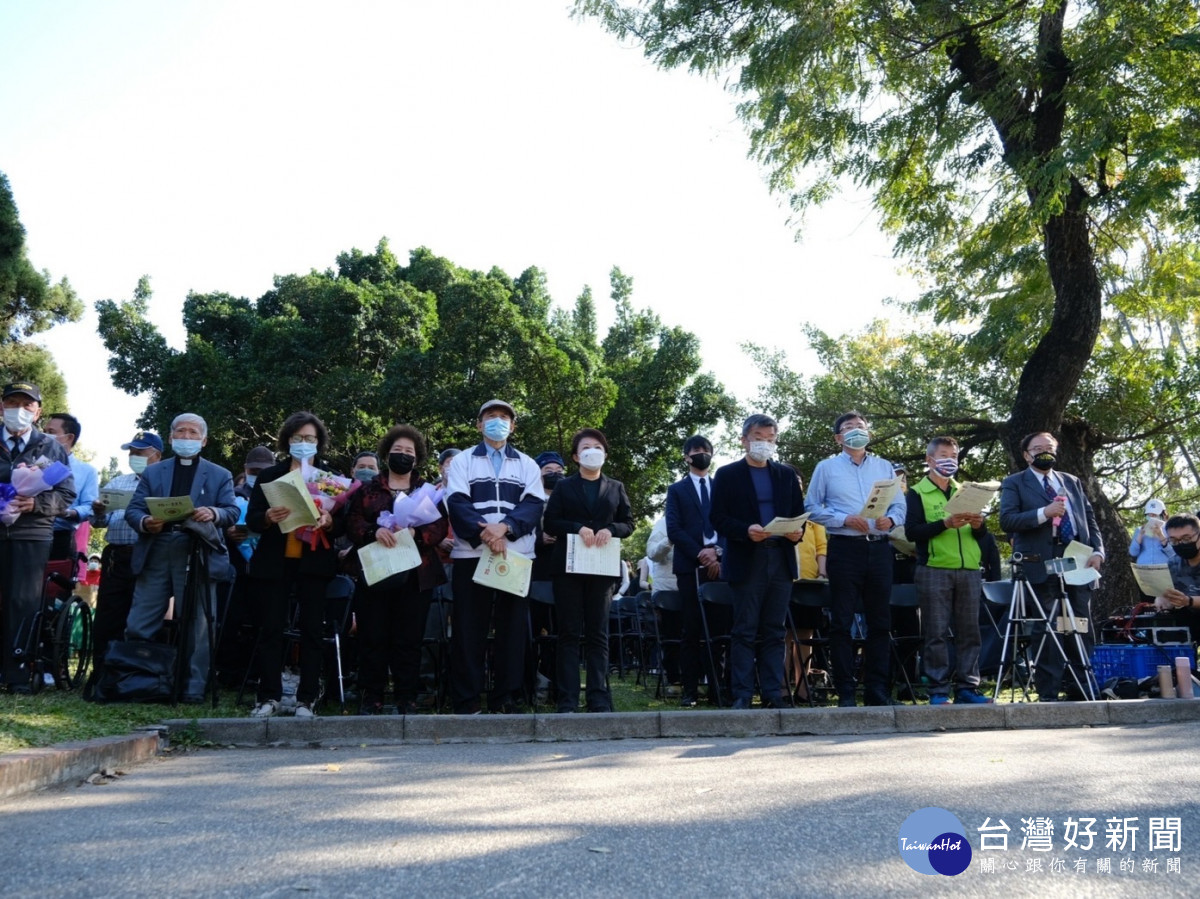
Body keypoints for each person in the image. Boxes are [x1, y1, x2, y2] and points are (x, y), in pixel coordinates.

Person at [124, 412, 238, 702]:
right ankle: (137, 681)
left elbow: (231, 510)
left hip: (198, 550)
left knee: (200, 623)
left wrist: (213, 513)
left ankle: (192, 688)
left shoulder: (220, 474)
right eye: (181, 432)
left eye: (193, 432)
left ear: (204, 440)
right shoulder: (153, 472)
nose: (186, 437)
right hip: (158, 546)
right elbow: (133, 510)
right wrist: (146, 522)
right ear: (171, 436)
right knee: (141, 618)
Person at [445, 399, 545, 714]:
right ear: (479, 424)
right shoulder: (462, 461)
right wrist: (485, 534)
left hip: (516, 555)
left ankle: (505, 698)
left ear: (513, 426)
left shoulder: (527, 464)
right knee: (468, 628)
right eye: (491, 416)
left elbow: (533, 505)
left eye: (504, 417)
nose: (497, 421)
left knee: (512, 629)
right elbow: (457, 502)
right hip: (470, 555)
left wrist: (505, 529)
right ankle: (467, 700)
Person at [345, 423, 447, 714]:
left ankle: (406, 697)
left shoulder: (428, 491)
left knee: (409, 638)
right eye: (397, 450)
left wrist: (416, 534)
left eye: (409, 451)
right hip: (376, 571)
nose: (403, 455)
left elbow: (440, 527)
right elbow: (352, 522)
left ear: (417, 457)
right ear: (386, 454)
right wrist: (372, 532)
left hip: (416, 575)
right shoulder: (367, 490)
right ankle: (372, 696)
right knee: (373, 636)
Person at [805, 411, 906, 707]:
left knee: (880, 622)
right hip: (845, 549)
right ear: (838, 437)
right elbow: (811, 507)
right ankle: (846, 692)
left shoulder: (885, 466)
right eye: (849, 428)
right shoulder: (826, 468)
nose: (856, 431)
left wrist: (891, 519)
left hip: (879, 549)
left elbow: (899, 506)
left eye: (860, 427)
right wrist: (843, 519)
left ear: (869, 433)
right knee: (842, 621)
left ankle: (877, 691)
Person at [245, 412, 340, 718]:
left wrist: (329, 520)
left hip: (314, 562)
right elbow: (252, 519)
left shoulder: (330, 479)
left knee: (312, 630)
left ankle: (307, 700)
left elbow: (342, 525)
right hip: (275, 562)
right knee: (270, 628)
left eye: (309, 438)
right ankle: (268, 697)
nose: (303, 444)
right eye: (298, 438)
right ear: (287, 440)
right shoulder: (270, 475)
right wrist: (267, 518)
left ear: (319, 442)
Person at [998, 431, 1104, 701]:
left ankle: (1082, 688)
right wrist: (1043, 514)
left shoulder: (1071, 481)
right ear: (1026, 454)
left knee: (1079, 624)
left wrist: (1098, 552)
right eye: (1038, 448)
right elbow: (1007, 521)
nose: (1045, 452)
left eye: (1050, 447)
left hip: (1078, 563)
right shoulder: (1015, 483)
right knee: (1049, 628)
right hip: (1040, 565)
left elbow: (1089, 520)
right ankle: (1048, 694)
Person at [709, 414, 805, 709]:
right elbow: (717, 518)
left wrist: (796, 534)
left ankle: (773, 694)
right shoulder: (727, 474)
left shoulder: (786, 475)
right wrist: (744, 531)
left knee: (775, 631)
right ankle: (741, 693)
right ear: (744, 440)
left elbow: (799, 516)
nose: (764, 444)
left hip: (780, 557)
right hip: (746, 556)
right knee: (745, 629)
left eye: (770, 438)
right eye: (759, 438)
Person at [543, 428, 634, 713]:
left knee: (598, 634)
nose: (592, 451)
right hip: (568, 567)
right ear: (575, 456)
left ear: (605, 454)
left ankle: (598, 697)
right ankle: (567, 698)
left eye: (598, 446)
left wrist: (610, 529)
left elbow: (628, 524)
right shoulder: (564, 486)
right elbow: (550, 523)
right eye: (586, 447)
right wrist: (576, 527)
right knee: (569, 633)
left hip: (602, 568)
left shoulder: (616, 487)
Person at [905, 436, 992, 705]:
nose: (950, 460)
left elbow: (981, 536)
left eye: (953, 456)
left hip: (968, 569)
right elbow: (912, 532)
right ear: (930, 460)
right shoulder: (917, 493)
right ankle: (938, 691)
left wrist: (979, 525)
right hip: (934, 569)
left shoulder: (965, 491)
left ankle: (968, 688)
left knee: (970, 632)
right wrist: (945, 523)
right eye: (944, 455)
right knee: (936, 632)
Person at [1, 382, 76, 691]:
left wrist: (36, 503)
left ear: (37, 411)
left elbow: (67, 493)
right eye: (12, 402)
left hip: (32, 534)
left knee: (23, 601)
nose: (19, 409)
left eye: (27, 405)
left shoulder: (51, 446)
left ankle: (17, 671)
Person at [84, 430, 163, 698]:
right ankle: (102, 674)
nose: (134, 457)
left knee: (142, 620)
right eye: (131, 452)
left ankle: (138, 677)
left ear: (156, 455)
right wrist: (97, 512)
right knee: (108, 618)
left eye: (140, 452)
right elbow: (101, 522)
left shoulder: (165, 483)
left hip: (151, 556)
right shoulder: (119, 482)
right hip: (117, 557)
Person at [665, 434, 723, 707]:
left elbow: (730, 523)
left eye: (706, 450)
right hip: (690, 566)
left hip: (722, 566)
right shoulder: (676, 490)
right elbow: (674, 529)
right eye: (696, 451)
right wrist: (701, 553)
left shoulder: (723, 487)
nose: (702, 454)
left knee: (721, 629)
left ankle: (719, 688)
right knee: (691, 630)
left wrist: (717, 553)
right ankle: (690, 690)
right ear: (686, 456)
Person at [43, 413, 99, 562]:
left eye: (51, 432)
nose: (44, 435)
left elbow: (90, 506)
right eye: (44, 431)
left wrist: (69, 513)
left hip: (60, 538)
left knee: (53, 584)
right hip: (25, 534)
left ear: (69, 437)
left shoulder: (87, 471)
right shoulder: (31, 461)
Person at [1156, 514, 1200, 648]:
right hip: (1189, 620)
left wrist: (1189, 601)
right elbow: (1167, 591)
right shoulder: (1173, 563)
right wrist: (1162, 599)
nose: (1181, 544)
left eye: (1186, 538)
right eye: (1174, 540)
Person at [1129, 499, 1173, 566]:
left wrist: (1161, 535)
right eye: (1149, 515)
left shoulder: (1169, 530)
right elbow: (1133, 553)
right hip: (1143, 569)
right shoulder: (1139, 530)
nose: (1152, 517)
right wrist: (1140, 535)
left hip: (1164, 569)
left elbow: (1173, 553)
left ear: (1163, 514)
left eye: (1154, 515)